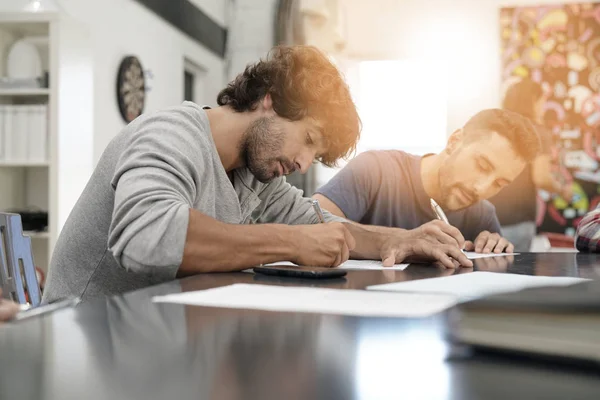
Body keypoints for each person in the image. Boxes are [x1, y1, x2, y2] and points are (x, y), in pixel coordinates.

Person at [43, 45, 472, 303]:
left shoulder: (254, 176)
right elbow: (147, 239)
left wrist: (399, 240)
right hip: (84, 342)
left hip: (154, 337)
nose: (304, 163)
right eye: (308, 138)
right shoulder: (170, 134)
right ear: (269, 101)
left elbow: (321, 226)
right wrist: (291, 242)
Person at [313, 109, 541, 254]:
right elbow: (306, 224)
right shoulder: (375, 170)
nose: (481, 188)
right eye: (482, 165)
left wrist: (495, 251)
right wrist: (399, 240)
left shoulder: (482, 215)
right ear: (454, 141)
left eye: (499, 183)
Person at [488, 78, 572, 251]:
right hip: (517, 218)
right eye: (542, 101)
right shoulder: (538, 131)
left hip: (486, 215)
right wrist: (563, 190)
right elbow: (541, 177)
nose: (543, 107)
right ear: (533, 101)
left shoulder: (495, 128)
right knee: (516, 274)